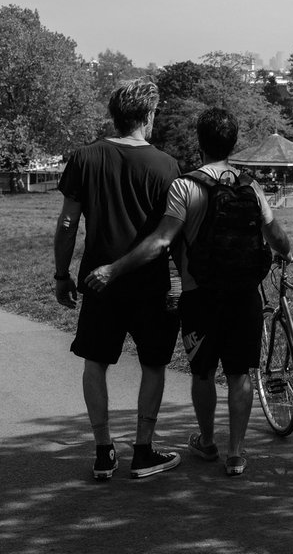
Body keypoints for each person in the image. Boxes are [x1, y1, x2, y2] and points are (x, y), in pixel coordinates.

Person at [86, 107, 293, 478]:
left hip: (200, 295)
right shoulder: (250, 185)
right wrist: (288, 253)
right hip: (246, 294)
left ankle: (207, 441)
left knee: (203, 372)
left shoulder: (186, 185)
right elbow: (275, 235)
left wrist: (115, 269)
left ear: (200, 144)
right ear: (233, 144)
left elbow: (163, 239)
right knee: (240, 373)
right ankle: (237, 453)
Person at [53, 79, 182, 481]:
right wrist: (182, 283)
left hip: (97, 280)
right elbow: (169, 235)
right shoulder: (166, 165)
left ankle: (103, 450)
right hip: (149, 282)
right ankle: (143, 450)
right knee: (154, 364)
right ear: (148, 115)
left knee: (96, 362)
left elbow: (69, 222)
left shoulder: (85, 158)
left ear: (114, 115)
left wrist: (61, 273)